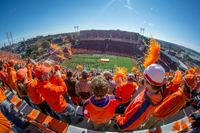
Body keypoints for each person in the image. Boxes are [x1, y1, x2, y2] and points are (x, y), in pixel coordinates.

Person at [116, 64, 165, 131]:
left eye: (144, 78)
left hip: (128, 125)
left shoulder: (142, 105)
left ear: (147, 82)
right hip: (135, 119)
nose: (142, 79)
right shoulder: (154, 92)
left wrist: (117, 117)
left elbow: (124, 125)